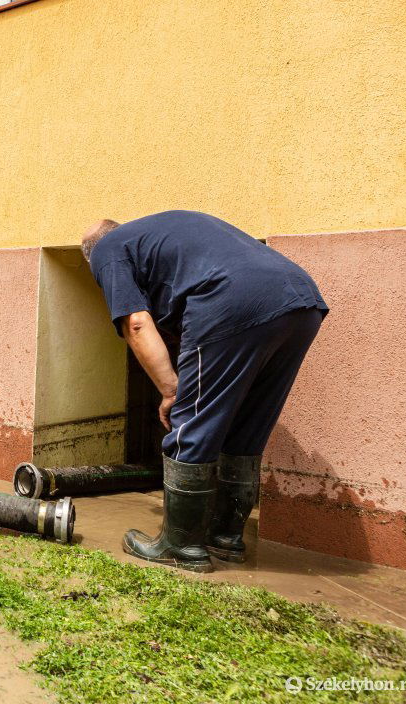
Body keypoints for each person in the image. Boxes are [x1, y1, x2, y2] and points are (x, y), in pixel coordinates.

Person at [82, 211, 327, 572]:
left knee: (192, 423)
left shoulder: (107, 250)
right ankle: (225, 538)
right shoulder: (163, 233)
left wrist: (169, 390)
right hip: (301, 302)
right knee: (247, 426)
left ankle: (181, 546)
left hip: (231, 299)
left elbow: (136, 322)